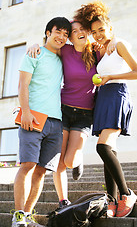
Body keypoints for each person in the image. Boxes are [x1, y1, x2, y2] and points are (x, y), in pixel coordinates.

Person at [27, 20, 115, 209]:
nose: (79, 33)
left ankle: (78, 160)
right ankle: (63, 200)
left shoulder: (96, 51)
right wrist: (34, 45)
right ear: (70, 37)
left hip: (85, 115)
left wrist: (113, 41)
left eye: (82, 29)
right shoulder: (65, 50)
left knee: (70, 160)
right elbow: (47, 48)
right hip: (63, 110)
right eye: (74, 31)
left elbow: (113, 49)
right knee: (59, 162)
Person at [73, 1, 137, 218]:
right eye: (94, 32)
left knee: (103, 147)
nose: (98, 34)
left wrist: (111, 76)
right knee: (108, 149)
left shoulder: (118, 44)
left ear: (110, 28)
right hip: (102, 98)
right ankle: (111, 201)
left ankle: (126, 193)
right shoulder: (98, 49)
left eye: (102, 30)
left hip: (117, 94)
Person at [12, 17, 71, 227]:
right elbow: (22, 85)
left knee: (41, 170)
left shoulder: (64, 58)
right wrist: (25, 111)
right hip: (33, 117)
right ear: (48, 32)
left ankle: (27, 216)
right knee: (27, 165)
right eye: (58, 32)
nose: (62, 37)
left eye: (66, 34)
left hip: (56, 122)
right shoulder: (34, 53)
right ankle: (18, 216)